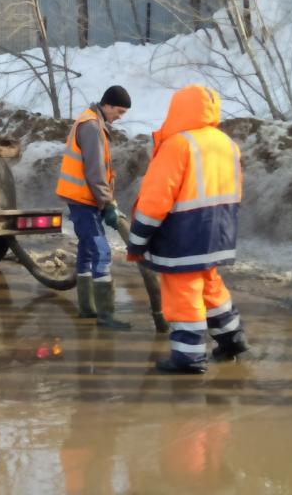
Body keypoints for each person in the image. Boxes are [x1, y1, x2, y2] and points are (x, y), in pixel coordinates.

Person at [126, 84, 249, 373]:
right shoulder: (227, 143)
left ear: (178, 110)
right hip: (219, 231)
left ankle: (188, 356)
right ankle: (232, 338)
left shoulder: (178, 145)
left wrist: (138, 241)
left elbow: (155, 200)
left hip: (184, 233)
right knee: (210, 284)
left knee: (183, 292)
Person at [55, 85, 132, 330]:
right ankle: (105, 315)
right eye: (119, 111)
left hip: (83, 198)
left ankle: (87, 308)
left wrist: (109, 200)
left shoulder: (92, 122)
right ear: (106, 105)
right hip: (83, 200)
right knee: (101, 252)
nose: (120, 116)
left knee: (88, 251)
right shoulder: (91, 126)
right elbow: (95, 171)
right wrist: (107, 204)